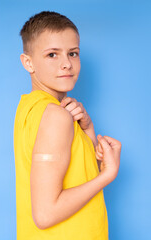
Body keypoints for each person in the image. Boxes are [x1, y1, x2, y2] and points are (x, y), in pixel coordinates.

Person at [13, 11, 121, 240]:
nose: (66, 64)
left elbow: (72, 174)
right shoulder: (55, 116)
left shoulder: (31, 108)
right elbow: (45, 214)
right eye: (52, 54)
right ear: (28, 62)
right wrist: (107, 174)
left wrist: (88, 130)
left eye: (73, 53)